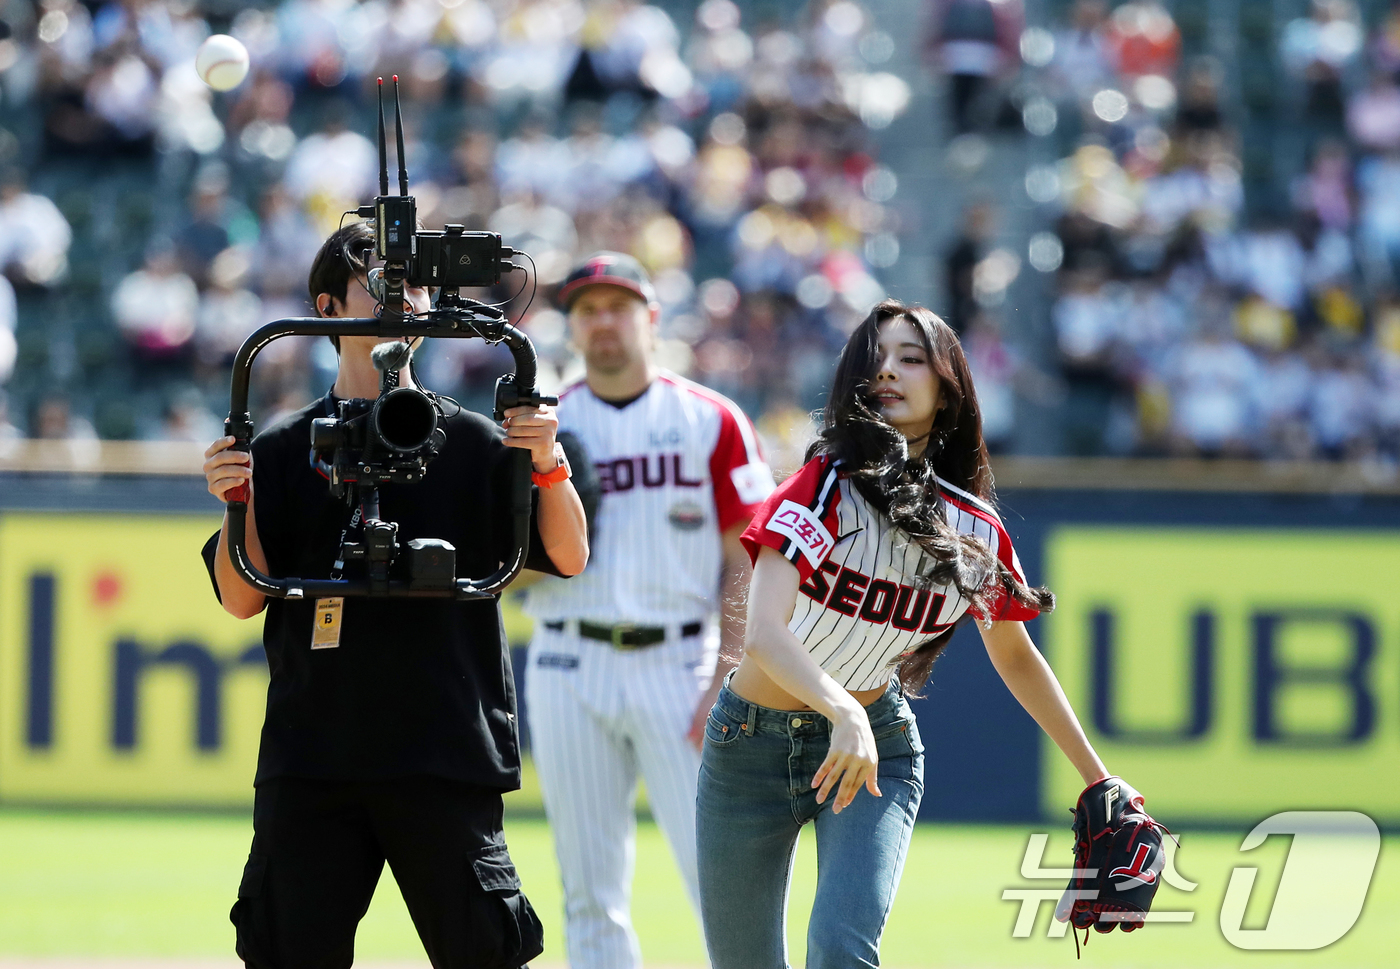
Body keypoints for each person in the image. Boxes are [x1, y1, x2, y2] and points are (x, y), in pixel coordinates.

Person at [200, 220, 589, 969]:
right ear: (326, 306)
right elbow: (242, 598)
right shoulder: (282, 448)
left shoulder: (477, 439)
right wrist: (235, 497)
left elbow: (569, 554)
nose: (402, 298)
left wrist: (547, 459)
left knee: (484, 950)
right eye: (379, 282)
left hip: (444, 749)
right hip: (315, 752)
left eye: (413, 283)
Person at [696, 298, 1116, 968]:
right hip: (750, 745)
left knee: (841, 948)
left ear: (949, 389)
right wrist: (840, 709)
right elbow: (764, 634)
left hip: (877, 752)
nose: (887, 370)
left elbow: (1015, 654)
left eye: (911, 358)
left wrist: (1100, 779)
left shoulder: (975, 529)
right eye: (876, 358)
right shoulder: (823, 484)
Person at [521, 251, 775, 969]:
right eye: (587, 309)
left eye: (618, 305)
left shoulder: (710, 419)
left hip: (682, 661)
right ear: (570, 326)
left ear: (652, 318)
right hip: (568, 657)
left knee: (722, 877)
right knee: (588, 889)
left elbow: (749, 556)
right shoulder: (541, 424)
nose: (603, 321)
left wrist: (728, 671)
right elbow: (503, 567)